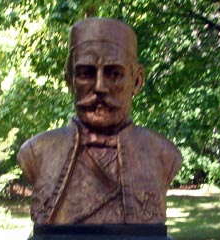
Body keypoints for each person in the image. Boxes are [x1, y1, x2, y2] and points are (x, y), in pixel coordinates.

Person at [17, 17, 182, 224]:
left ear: (137, 80)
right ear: (69, 80)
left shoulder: (163, 154)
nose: (100, 87)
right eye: (86, 73)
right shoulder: (36, 152)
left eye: (114, 74)